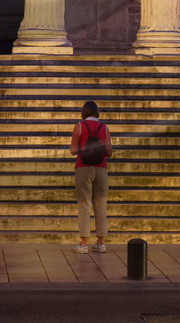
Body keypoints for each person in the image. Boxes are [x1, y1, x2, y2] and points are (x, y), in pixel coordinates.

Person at [69, 101, 112, 254]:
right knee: (100, 205)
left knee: (84, 204)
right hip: (101, 169)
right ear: (97, 112)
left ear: (84, 112)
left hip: (83, 168)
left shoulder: (79, 127)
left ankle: (84, 243)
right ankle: (101, 243)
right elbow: (109, 152)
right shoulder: (104, 128)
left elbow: (73, 150)